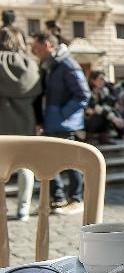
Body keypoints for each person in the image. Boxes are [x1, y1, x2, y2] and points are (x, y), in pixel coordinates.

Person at [31, 32, 90, 215]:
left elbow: (83, 94)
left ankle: (76, 199)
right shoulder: (50, 65)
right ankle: (57, 199)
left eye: (36, 46)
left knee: (71, 163)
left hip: (65, 124)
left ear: (47, 44)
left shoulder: (66, 64)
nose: (34, 50)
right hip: (52, 123)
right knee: (49, 162)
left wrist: (61, 114)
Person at [0, 10, 41, 221]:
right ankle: (23, 208)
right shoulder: (30, 64)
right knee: (26, 167)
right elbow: (37, 92)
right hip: (25, 121)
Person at [85, 70, 124, 145]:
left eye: (104, 79)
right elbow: (94, 107)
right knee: (101, 114)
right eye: (101, 79)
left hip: (98, 116)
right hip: (85, 121)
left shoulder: (103, 91)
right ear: (93, 80)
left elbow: (107, 106)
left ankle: (104, 136)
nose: (103, 81)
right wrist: (114, 118)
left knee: (108, 112)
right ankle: (89, 137)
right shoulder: (87, 92)